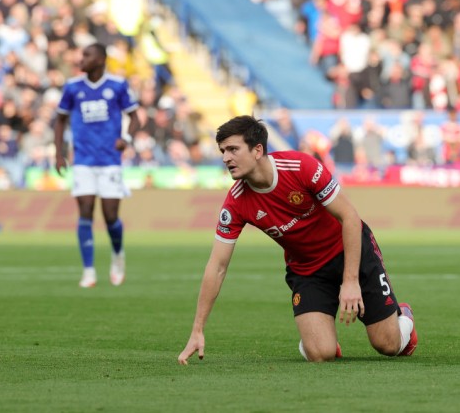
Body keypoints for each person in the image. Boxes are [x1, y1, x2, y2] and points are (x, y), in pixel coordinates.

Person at [178, 115, 417, 364]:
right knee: (320, 354)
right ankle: (318, 338)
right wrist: (197, 329)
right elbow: (217, 266)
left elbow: (350, 217)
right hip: (307, 270)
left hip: (349, 250)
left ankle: (405, 317)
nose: (226, 158)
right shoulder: (236, 203)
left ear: (257, 150)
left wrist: (350, 281)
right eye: (223, 151)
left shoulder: (301, 167)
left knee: (387, 345)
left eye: (233, 149)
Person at [54, 43, 139, 288]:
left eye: (87, 55)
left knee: (110, 215)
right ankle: (89, 270)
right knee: (85, 209)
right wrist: (59, 153)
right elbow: (59, 121)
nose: (82, 59)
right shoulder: (72, 87)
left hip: (110, 160)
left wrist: (127, 139)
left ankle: (117, 255)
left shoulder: (117, 85)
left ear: (101, 59)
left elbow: (135, 117)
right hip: (83, 160)